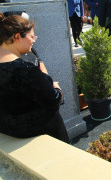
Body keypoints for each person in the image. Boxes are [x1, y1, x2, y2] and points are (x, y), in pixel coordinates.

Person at [0, 13, 69, 143]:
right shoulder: (25, 71)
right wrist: (56, 88)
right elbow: (54, 99)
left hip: (7, 134)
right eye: (31, 36)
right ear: (17, 37)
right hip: (40, 137)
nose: (34, 40)